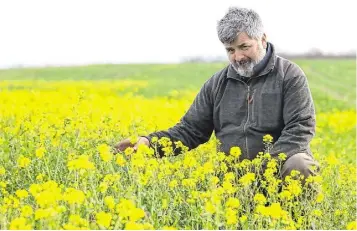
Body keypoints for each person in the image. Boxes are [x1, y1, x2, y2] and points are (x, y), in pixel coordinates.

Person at [114, 6, 319, 181]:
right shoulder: (217, 84)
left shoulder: (289, 75)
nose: (238, 57)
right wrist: (150, 143)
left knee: (299, 163)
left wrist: (265, 168)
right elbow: (190, 130)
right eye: (230, 50)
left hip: (277, 173)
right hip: (233, 177)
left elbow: (300, 127)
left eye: (244, 47)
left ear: (263, 39)